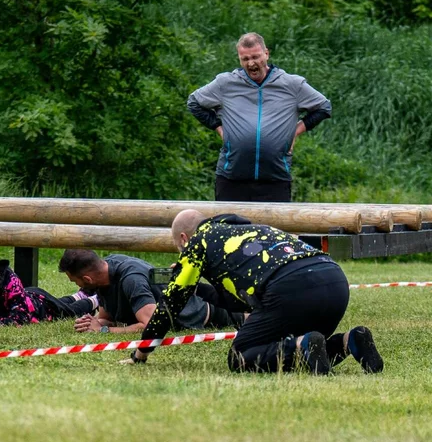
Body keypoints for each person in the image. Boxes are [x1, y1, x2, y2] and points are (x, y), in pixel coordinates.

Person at [125, 210, 384, 375]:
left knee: (240, 357)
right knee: (289, 343)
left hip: (290, 288)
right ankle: (350, 341)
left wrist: (141, 354)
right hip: (334, 281)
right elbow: (240, 301)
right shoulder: (252, 230)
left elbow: (170, 305)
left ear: (184, 238)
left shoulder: (198, 242)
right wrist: (199, 289)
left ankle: (302, 345)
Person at [187, 33, 332, 202]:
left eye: (255, 57)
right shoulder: (225, 84)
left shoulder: (292, 85)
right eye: (245, 59)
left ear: (266, 54)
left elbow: (324, 107)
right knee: (228, 220)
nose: (251, 63)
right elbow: (194, 102)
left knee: (275, 221)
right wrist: (220, 129)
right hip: (231, 177)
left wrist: (295, 131)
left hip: (275, 178)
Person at [57, 250, 244, 335]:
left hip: (207, 312)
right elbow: (107, 317)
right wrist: (93, 323)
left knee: (249, 316)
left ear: (88, 279)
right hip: (204, 303)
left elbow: (150, 325)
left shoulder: (131, 280)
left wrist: (104, 330)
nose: (77, 286)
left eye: (75, 281)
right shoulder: (104, 272)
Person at [0, 255, 96, 326]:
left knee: (69, 311)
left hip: (39, 307)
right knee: (62, 302)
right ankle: (80, 295)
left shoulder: (10, 283)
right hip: (29, 297)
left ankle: (97, 299)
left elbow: (20, 319)